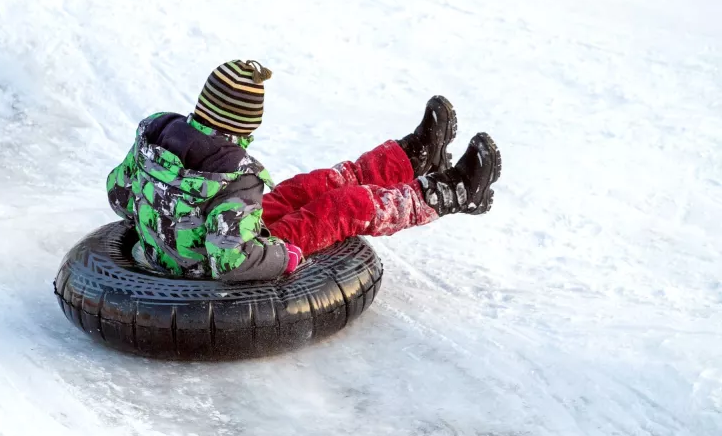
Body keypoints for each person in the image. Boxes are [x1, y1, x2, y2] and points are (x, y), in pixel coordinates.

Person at [106, 60, 501, 283]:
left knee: (306, 187)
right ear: (245, 124)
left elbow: (118, 193)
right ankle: (451, 193)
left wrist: (165, 216)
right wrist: (284, 257)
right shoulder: (233, 178)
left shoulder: (157, 135)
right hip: (203, 268)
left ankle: (410, 159)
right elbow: (231, 262)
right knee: (344, 206)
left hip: (193, 236)